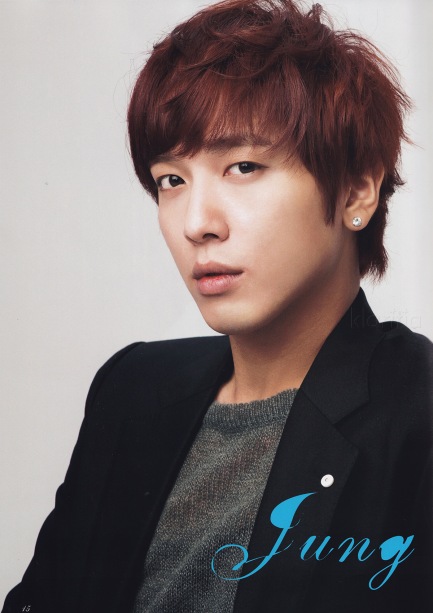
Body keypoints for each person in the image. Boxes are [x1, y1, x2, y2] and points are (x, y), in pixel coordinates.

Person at [3, 0, 432, 611]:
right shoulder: (132, 390)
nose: (196, 223)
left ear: (356, 191)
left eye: (243, 166)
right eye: (171, 180)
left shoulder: (417, 411)